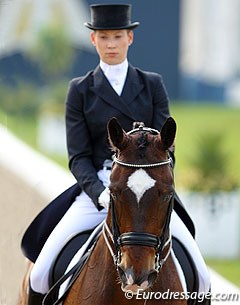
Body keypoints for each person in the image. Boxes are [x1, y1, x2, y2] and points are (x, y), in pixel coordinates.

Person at [24, 4, 210, 304]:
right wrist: (100, 194)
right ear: (93, 40)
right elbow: (78, 157)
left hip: (149, 192)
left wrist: (154, 183)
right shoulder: (81, 90)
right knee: (40, 273)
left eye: (118, 37)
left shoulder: (152, 85)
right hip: (98, 188)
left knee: (202, 277)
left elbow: (167, 149)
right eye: (105, 37)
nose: (112, 44)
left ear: (130, 39)